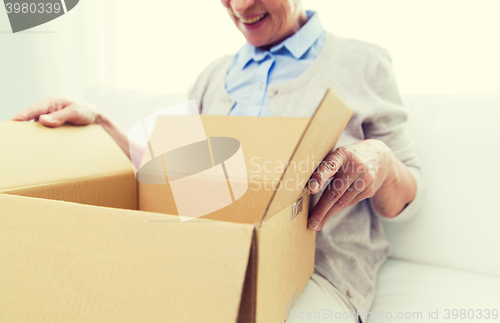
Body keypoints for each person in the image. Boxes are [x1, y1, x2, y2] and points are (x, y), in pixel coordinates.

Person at [11, 0, 425, 322]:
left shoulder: (363, 62)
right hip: (210, 262)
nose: (241, 7)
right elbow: (176, 178)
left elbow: (406, 203)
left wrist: (381, 161)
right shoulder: (214, 76)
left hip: (318, 277)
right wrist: (99, 122)